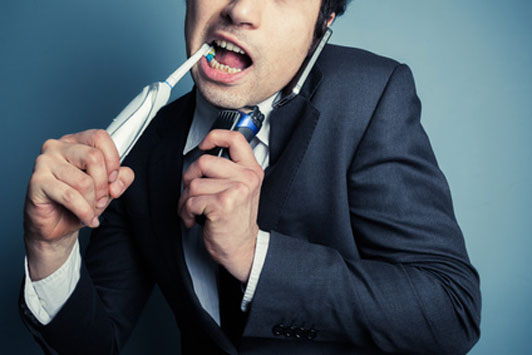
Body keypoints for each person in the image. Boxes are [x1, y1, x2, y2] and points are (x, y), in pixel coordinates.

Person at [20, 0, 481, 353]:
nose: (238, 10)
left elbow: (451, 312)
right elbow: (97, 343)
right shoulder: (139, 148)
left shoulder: (368, 97)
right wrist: (51, 251)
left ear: (325, 19)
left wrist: (252, 255)